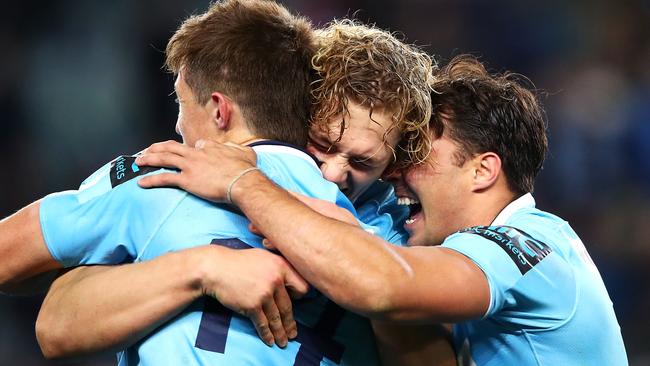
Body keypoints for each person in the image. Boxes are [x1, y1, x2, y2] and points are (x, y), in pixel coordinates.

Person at [1, 4, 445, 364]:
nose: (331, 173)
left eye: (361, 162)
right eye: (323, 146)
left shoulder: (163, 176)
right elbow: (54, 323)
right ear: (301, 112)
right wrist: (203, 267)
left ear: (219, 109)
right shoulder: (390, 248)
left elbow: (37, 300)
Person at [132, 55, 629, 365]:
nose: (397, 173)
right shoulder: (541, 245)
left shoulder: (521, 245)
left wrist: (244, 183)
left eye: (419, 153)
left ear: (482, 170)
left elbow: (383, 287)